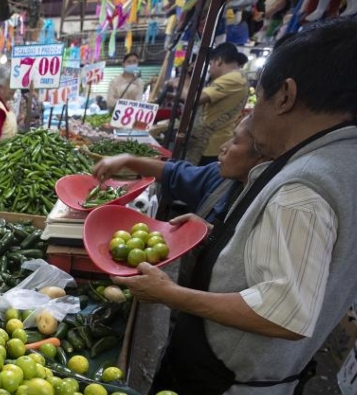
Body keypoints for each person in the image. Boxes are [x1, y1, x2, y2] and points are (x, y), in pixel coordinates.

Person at [114, 19, 357, 394]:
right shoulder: (344, 161)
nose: (252, 111)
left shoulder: (306, 183)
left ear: (285, 96)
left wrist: (169, 294)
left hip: (229, 379)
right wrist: (221, 237)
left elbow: (284, 312)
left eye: (258, 97)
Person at [94, 115, 268, 288]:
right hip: (191, 283)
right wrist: (128, 160)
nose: (223, 147)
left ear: (262, 156)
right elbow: (173, 173)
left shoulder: (270, 206)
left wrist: (214, 236)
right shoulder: (221, 177)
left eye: (235, 141)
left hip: (219, 302)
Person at [169, 42, 249, 165]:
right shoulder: (237, 77)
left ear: (219, 61)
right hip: (211, 143)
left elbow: (194, 98)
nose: (209, 69)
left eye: (210, 64)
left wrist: (179, 83)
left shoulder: (233, 78)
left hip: (211, 145)